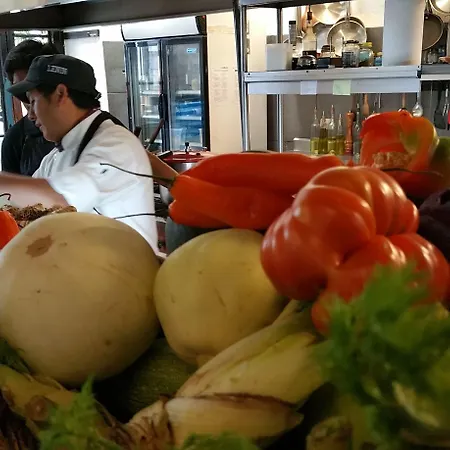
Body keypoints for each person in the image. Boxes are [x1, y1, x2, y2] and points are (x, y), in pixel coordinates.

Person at [5, 54, 159, 251]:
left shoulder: (115, 144)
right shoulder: (55, 157)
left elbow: (59, 198)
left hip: (126, 268)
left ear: (60, 94)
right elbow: (23, 204)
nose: (31, 115)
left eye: (33, 101)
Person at [2, 39, 61, 176]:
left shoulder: (94, 133)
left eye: (34, 90)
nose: (28, 99)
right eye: (21, 91)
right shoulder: (15, 139)